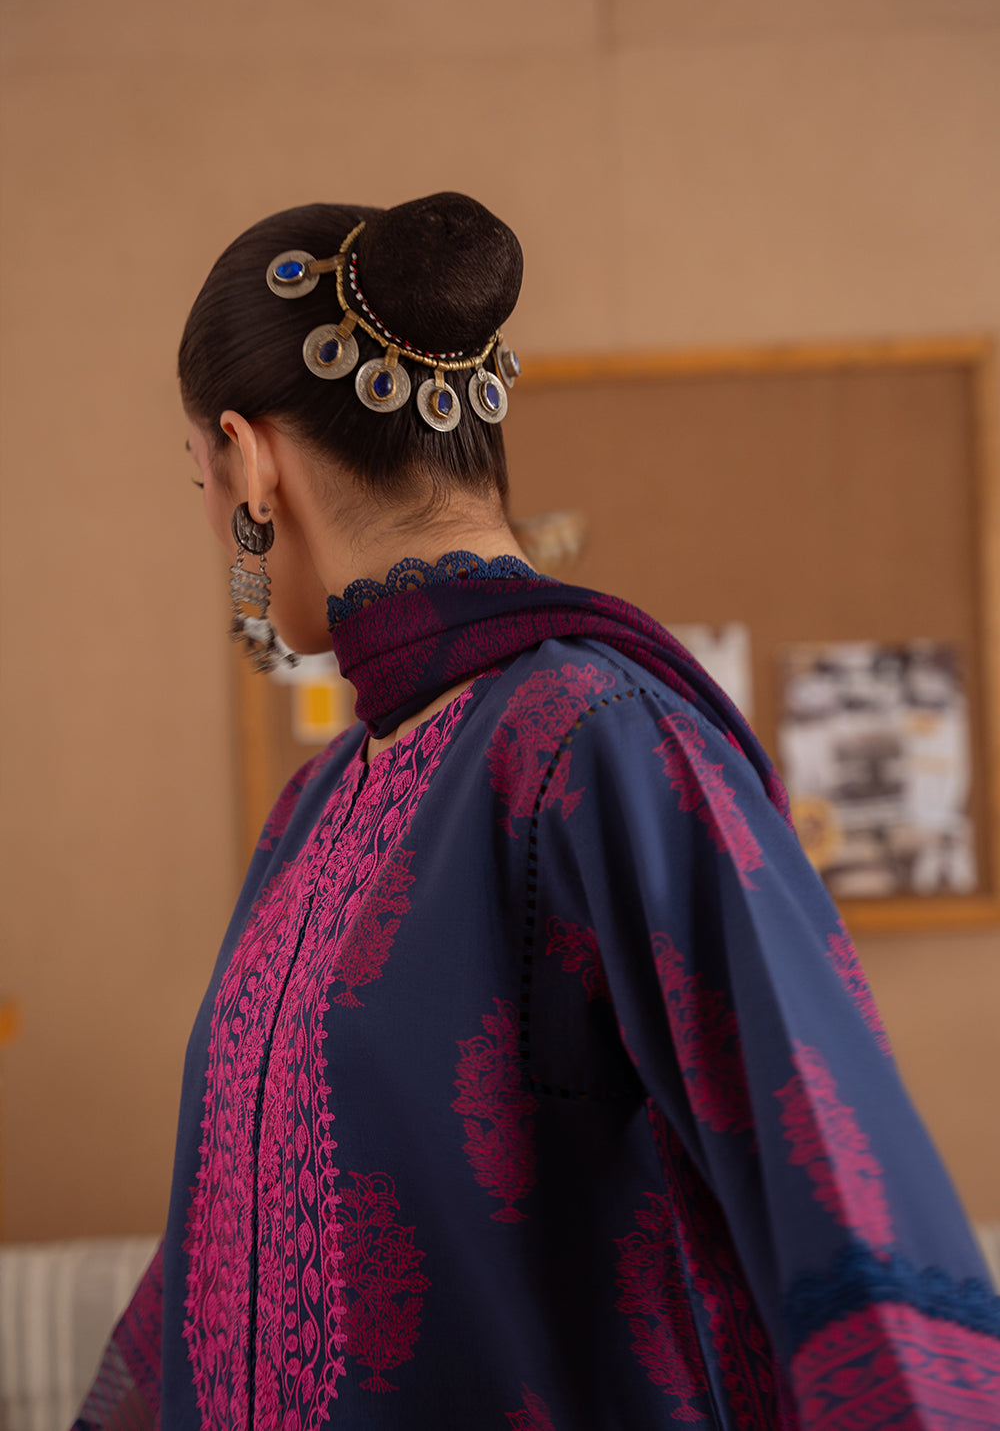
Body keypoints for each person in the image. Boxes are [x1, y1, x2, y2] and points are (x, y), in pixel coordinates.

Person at [76, 192, 1000, 1430]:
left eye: (198, 473)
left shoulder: (596, 740)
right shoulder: (314, 808)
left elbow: (842, 1183)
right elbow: (225, 1228)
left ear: (248, 461)